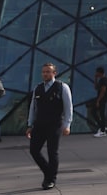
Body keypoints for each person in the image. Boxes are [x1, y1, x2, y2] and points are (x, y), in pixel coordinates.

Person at [26, 62, 73, 191]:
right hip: (39, 124)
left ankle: (50, 179)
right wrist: (30, 124)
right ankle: (49, 172)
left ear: (54, 73)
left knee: (52, 152)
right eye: (43, 72)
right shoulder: (38, 88)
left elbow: (68, 108)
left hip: (55, 125)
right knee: (34, 150)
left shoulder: (62, 87)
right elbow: (33, 108)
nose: (45, 74)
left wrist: (67, 125)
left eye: (48, 72)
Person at [92, 66, 107, 136]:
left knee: (99, 113)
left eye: (97, 72)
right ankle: (102, 127)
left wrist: (98, 100)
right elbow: (96, 87)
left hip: (103, 98)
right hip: (102, 98)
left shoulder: (104, 80)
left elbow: (103, 91)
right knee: (99, 112)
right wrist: (95, 78)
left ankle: (102, 129)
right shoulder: (101, 80)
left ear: (99, 72)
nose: (96, 73)